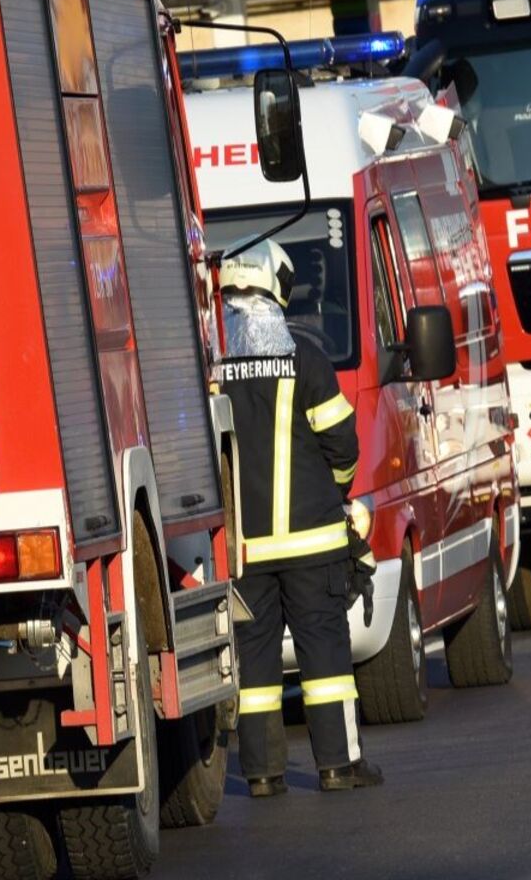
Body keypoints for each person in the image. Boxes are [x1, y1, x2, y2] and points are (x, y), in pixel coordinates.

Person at [215, 238, 383, 796]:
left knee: (257, 665)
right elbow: (343, 447)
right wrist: (337, 496)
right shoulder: (305, 358)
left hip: (245, 552)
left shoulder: (211, 371)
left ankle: (262, 774)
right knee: (325, 654)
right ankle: (338, 766)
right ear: (277, 293)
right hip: (313, 543)